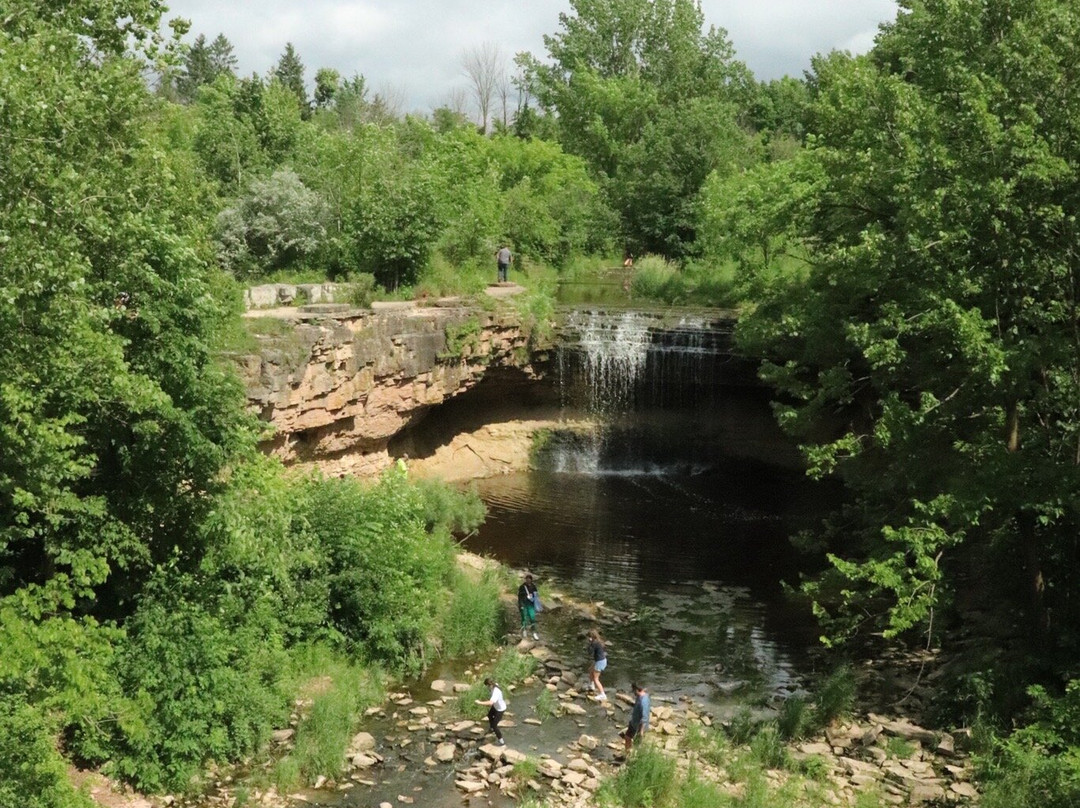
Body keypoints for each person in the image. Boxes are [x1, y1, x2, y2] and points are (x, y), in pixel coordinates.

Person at [475, 677, 507, 746]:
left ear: (489, 685)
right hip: (496, 706)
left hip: (500, 709)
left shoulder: (496, 691)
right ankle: (492, 728)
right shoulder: (494, 685)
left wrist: (479, 702)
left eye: (487, 686)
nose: (487, 688)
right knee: (489, 715)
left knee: (495, 725)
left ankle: (501, 741)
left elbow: (490, 703)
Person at [622, 682, 650, 754]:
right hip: (633, 722)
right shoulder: (641, 696)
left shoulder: (643, 701)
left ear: (637, 690)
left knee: (637, 744)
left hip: (639, 726)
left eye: (634, 691)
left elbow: (644, 717)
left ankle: (636, 758)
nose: (633, 693)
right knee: (627, 737)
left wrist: (641, 731)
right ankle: (627, 754)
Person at [587, 628, 608, 700]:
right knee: (590, 670)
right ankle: (591, 685)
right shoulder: (599, 641)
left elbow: (590, 652)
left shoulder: (594, 643)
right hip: (601, 660)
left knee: (596, 679)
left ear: (591, 637)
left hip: (600, 662)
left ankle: (603, 694)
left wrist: (590, 643)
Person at [517, 573, 539, 640]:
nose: (528, 580)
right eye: (527, 579)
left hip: (530, 604)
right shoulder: (522, 587)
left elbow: (536, 596)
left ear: (531, 580)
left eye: (529, 579)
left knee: (532, 618)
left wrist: (536, 604)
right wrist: (520, 605)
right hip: (523, 604)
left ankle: (534, 632)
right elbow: (519, 597)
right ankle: (524, 630)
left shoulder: (534, 587)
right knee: (524, 617)